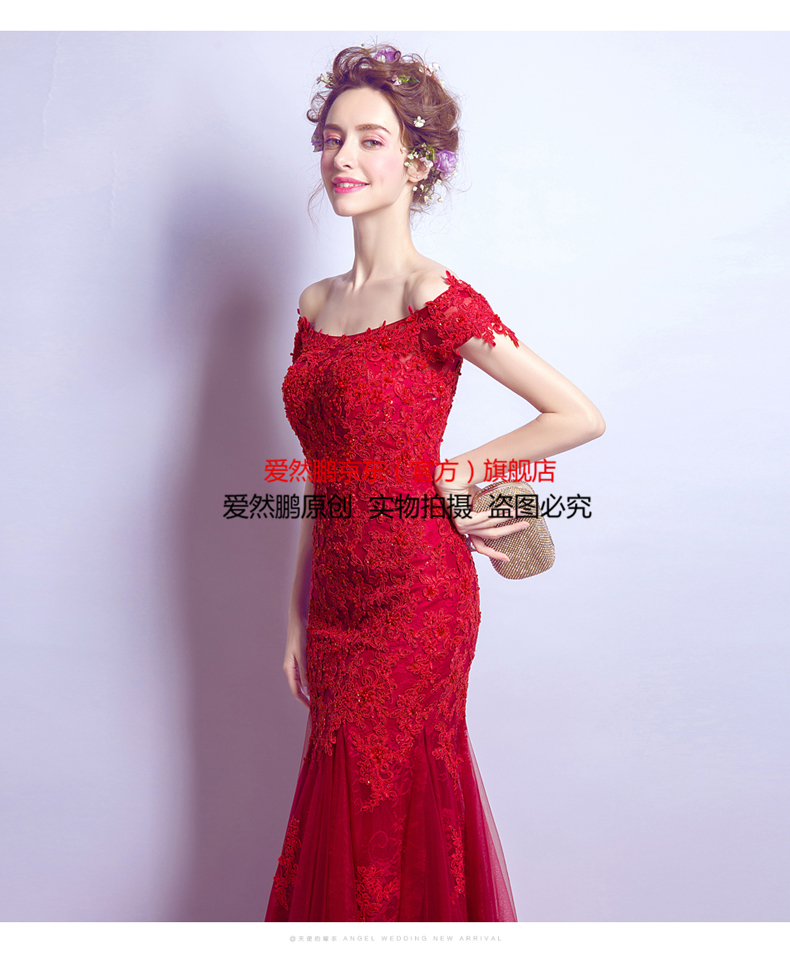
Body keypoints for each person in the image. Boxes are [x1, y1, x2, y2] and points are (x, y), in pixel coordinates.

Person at [265, 44, 605, 922]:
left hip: (416, 599)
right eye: (332, 138)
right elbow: (320, 476)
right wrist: (295, 611)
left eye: (370, 139)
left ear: (416, 164)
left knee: (391, 806)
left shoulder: (435, 297)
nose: (343, 157)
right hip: (334, 604)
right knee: (343, 809)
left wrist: (460, 472)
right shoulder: (313, 305)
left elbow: (575, 413)